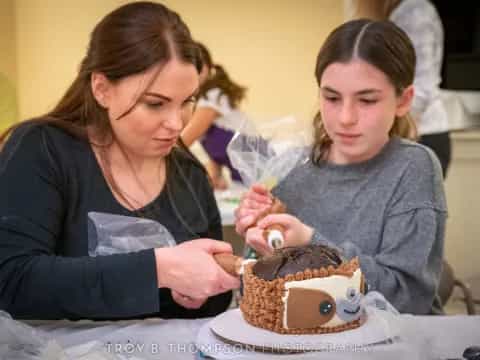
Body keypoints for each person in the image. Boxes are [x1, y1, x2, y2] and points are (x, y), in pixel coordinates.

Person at [0, 1, 240, 321]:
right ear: (101, 89)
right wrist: (158, 270)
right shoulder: (42, 149)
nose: (177, 124)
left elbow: (215, 302)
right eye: (155, 104)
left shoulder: (190, 174)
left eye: (188, 101)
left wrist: (201, 290)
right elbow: (12, 279)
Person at [235, 19, 447, 315]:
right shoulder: (287, 168)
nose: (346, 117)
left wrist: (310, 246)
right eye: (332, 97)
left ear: (403, 100)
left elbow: (406, 298)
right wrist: (259, 244)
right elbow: (253, 296)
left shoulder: (412, 167)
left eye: (367, 100)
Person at [353, 0, 451, 177]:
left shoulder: (415, 12)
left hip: (422, 135)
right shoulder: (397, 14)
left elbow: (423, 85)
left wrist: (386, 129)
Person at [181, 42, 247, 189]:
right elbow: (218, 145)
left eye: (198, 66)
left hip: (261, 176)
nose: (192, 72)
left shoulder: (213, 96)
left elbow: (182, 143)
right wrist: (214, 174)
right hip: (242, 178)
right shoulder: (198, 101)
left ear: (209, 68)